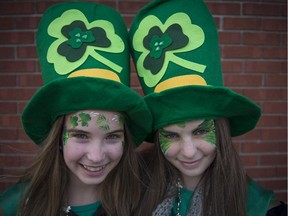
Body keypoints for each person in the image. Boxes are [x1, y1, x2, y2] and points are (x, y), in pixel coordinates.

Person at [129, 0, 287, 215]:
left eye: (201, 131)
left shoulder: (259, 207)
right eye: (172, 135)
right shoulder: (134, 188)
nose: (188, 151)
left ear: (221, 129)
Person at [0, 2, 152, 216]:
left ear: (125, 139)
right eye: (81, 135)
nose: (96, 156)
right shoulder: (13, 206)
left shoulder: (148, 202)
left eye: (112, 136)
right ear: (58, 137)